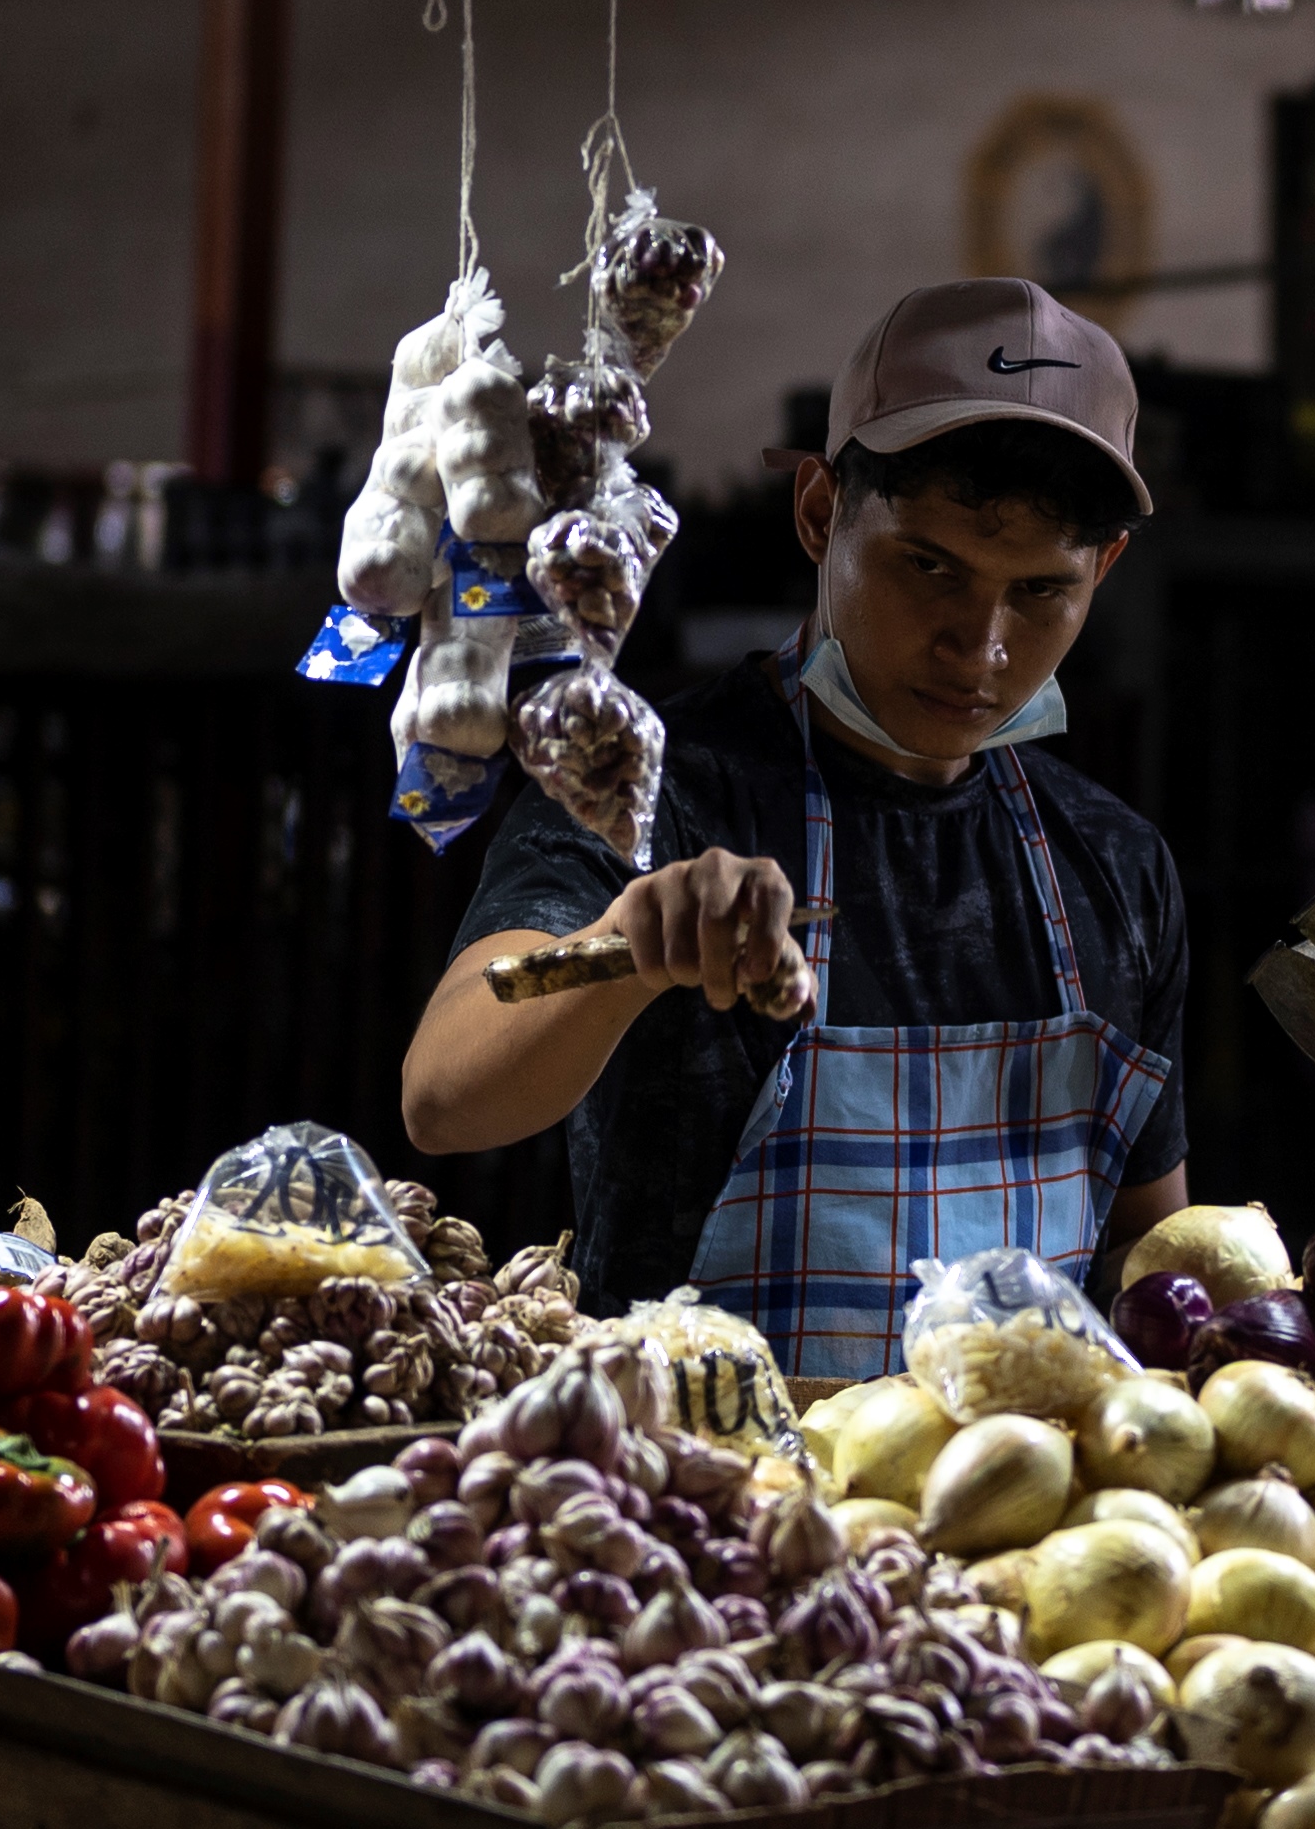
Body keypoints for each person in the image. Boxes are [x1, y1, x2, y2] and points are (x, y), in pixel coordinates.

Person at [400, 278, 1201, 1361]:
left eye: (1041, 593)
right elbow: (445, 1092)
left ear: (1102, 570)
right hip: (702, 1499)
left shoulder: (1115, 866)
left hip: (1007, 1514)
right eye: (932, 567)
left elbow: (1161, 1269)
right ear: (821, 512)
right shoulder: (648, 788)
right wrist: (619, 951)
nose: (982, 645)